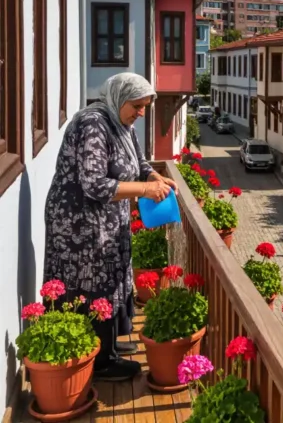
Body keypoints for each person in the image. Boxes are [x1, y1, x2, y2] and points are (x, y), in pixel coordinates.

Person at [43, 73, 178, 382]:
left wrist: (153, 178)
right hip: (78, 224)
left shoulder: (121, 124)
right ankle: (99, 361)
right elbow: (93, 184)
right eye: (137, 105)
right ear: (119, 97)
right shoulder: (93, 123)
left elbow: (139, 164)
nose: (141, 113)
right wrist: (144, 191)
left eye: (145, 106)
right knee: (91, 284)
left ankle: (108, 346)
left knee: (110, 277)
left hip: (104, 219)